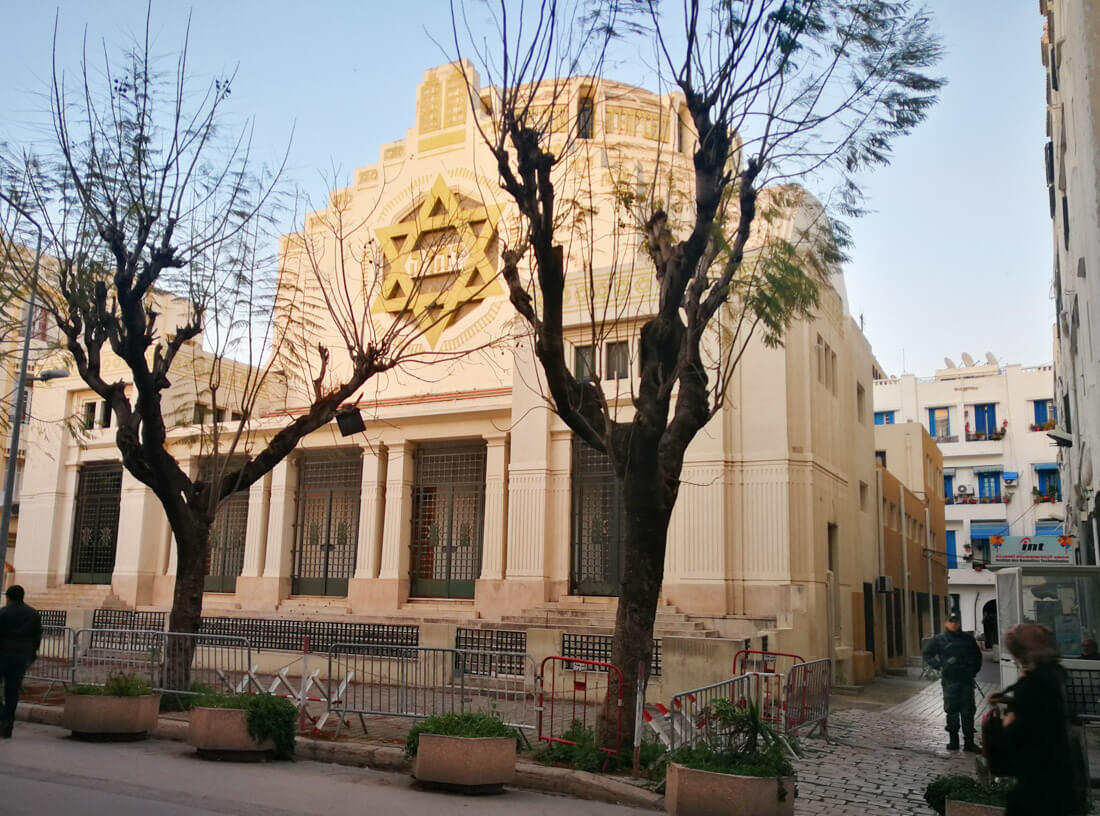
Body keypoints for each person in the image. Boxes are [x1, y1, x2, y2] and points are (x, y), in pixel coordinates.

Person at [990, 623, 1085, 816]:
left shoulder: (1033, 686)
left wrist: (997, 724)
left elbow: (1004, 760)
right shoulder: (1058, 674)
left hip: (1038, 795)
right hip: (1064, 789)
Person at [922, 612, 982, 751]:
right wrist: (939, 665)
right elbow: (927, 654)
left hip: (966, 679)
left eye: (955, 621)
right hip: (950, 680)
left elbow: (977, 656)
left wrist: (973, 671)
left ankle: (969, 743)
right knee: (952, 709)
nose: (953, 624)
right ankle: (953, 741)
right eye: (951, 621)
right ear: (946, 623)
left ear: (959, 623)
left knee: (968, 710)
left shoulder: (968, 639)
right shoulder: (939, 639)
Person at [0, 585, 42, 738]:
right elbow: (37, 636)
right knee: (13, 690)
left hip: (3, 654)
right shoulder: (33, 614)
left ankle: (2, 714)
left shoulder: (3, 612)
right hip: (22, 655)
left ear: (8, 597)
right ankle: (8, 721)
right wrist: (32, 654)